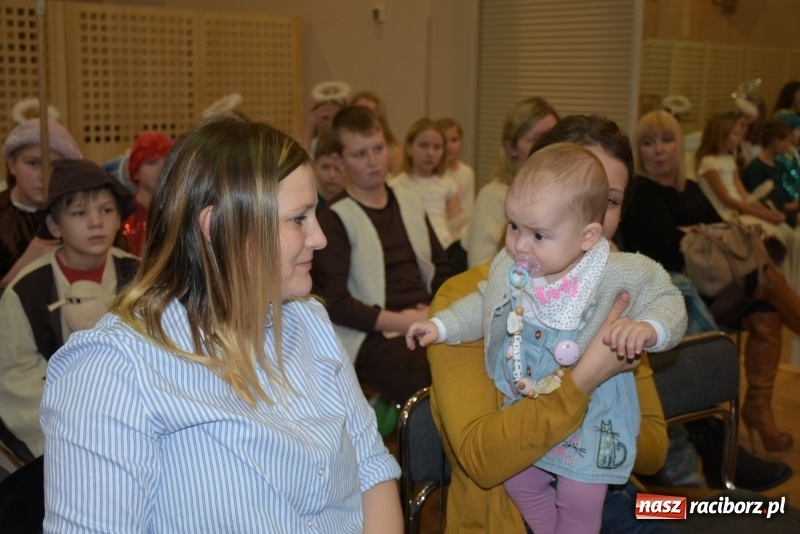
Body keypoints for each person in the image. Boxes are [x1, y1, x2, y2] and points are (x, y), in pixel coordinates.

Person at [41, 115, 402, 533]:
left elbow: (372, 471)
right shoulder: (112, 372)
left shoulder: (309, 320)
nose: (319, 238)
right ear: (218, 227)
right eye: (299, 219)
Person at [410, 143, 686, 533]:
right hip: (511, 496)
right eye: (514, 227)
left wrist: (647, 329)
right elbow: (483, 305)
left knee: (638, 509)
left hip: (604, 465)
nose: (521, 244)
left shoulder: (617, 281)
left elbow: (654, 452)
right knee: (522, 482)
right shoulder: (510, 273)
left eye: (612, 203)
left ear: (588, 233)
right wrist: (441, 326)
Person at [622, 110, 800, 454]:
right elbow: (666, 243)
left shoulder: (690, 188)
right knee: (764, 278)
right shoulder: (640, 191)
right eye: (648, 142)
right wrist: (699, 234)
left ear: (679, 146)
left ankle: (758, 411)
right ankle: (745, 419)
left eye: (667, 140)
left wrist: (696, 234)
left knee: (767, 315)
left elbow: (721, 228)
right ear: (638, 151)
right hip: (679, 295)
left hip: (717, 287)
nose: (658, 150)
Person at [311, 106, 451, 406]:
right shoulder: (334, 218)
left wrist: (434, 309)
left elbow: (441, 267)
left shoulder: (410, 202)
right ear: (338, 161)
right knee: (424, 373)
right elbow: (336, 304)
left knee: (471, 359)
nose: (374, 161)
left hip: (424, 315)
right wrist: (406, 322)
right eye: (360, 154)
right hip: (371, 334)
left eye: (378, 149)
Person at [0, 159, 138, 458]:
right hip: (59, 426)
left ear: (118, 219)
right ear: (54, 225)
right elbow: (16, 374)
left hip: (133, 421)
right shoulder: (27, 290)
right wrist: (75, 420)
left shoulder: (141, 278)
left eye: (106, 210)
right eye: (79, 213)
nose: (95, 223)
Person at [465, 97, 558, 268]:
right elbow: (480, 268)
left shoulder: (564, 194)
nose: (547, 147)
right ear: (511, 148)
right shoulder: (493, 196)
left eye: (553, 138)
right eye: (535, 139)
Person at [695, 112, 796, 267]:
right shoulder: (709, 163)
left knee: (788, 234)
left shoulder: (728, 159)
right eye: (735, 134)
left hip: (739, 209)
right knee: (777, 236)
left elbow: (744, 195)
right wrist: (764, 215)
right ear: (721, 135)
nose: (740, 138)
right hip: (725, 215)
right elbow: (727, 199)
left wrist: (768, 212)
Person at [1, 118, 82, 287]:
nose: (43, 176)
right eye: (33, 163)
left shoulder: (80, 214)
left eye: (55, 165)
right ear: (12, 164)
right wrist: (22, 269)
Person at [391, 118, 463, 270]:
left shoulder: (448, 183)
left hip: (444, 249)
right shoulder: (396, 184)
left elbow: (456, 223)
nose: (430, 153)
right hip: (410, 249)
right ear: (409, 148)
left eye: (437, 147)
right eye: (423, 146)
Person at [121, 132, 173, 255]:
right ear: (135, 172)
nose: (161, 169)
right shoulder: (121, 212)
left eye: (167, 162)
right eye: (152, 162)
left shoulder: (178, 210)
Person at [742, 120, 800, 225]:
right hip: (771, 212)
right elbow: (756, 197)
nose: (789, 146)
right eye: (787, 142)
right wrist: (784, 206)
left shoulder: (778, 164)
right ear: (777, 143)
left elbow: (784, 188)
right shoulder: (756, 168)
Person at [351, 90, 404, 175]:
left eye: (372, 112)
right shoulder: (345, 149)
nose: (366, 116)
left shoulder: (393, 152)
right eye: (361, 111)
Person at [312, 134, 344, 212]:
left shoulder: (357, 204)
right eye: (325, 167)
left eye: (337, 168)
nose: (332, 175)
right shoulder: (307, 205)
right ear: (314, 167)